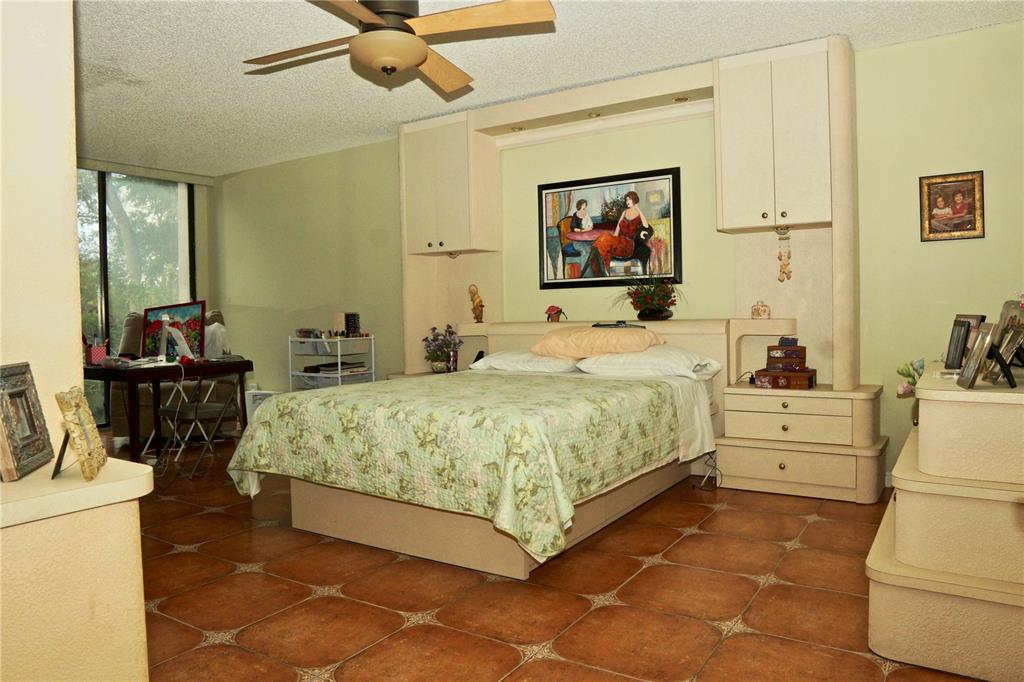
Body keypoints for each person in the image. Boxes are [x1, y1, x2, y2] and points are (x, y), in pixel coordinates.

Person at [592, 191, 649, 273]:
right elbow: (618, 228)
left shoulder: (639, 214)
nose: (627, 201)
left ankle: (604, 269)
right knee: (605, 237)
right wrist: (613, 238)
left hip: (629, 244)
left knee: (605, 238)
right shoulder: (624, 212)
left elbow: (646, 226)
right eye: (626, 200)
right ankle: (603, 268)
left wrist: (638, 209)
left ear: (634, 200)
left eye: (629, 199)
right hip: (619, 241)